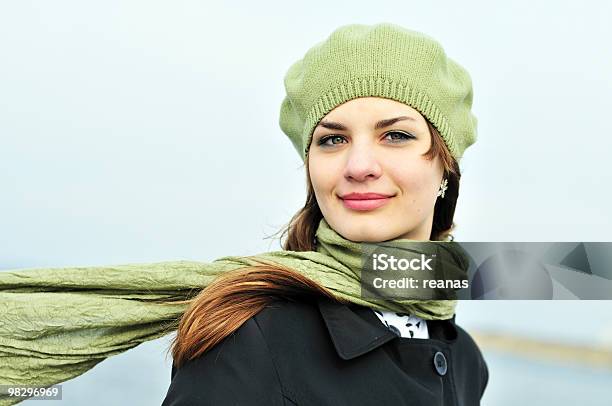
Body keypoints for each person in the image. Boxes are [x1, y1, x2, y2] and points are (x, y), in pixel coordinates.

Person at [161, 23, 488, 405]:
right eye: (333, 139)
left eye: (396, 135)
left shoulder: (465, 358)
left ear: (445, 167)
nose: (359, 165)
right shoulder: (251, 337)